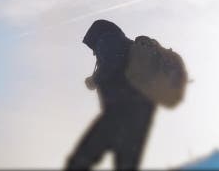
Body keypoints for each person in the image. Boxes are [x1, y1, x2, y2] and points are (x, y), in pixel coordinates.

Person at [66, 20, 155, 170]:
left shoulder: (107, 39)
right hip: (138, 109)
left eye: (91, 47)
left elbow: (111, 64)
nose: (93, 51)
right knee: (126, 161)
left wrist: (94, 80)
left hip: (120, 109)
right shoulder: (121, 41)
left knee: (81, 158)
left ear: (93, 36)